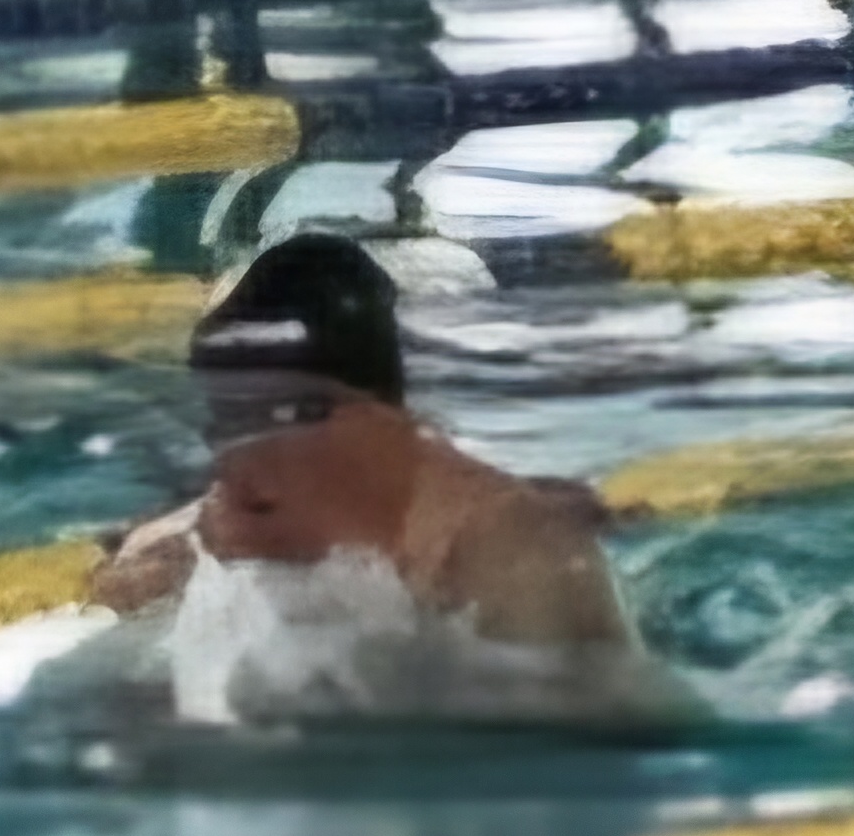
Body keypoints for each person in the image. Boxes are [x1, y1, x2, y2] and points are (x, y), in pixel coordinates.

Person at [91, 233, 666, 726]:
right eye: (228, 423)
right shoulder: (213, 532)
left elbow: (591, 751)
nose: (241, 462)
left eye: (275, 419)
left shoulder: (511, 553)